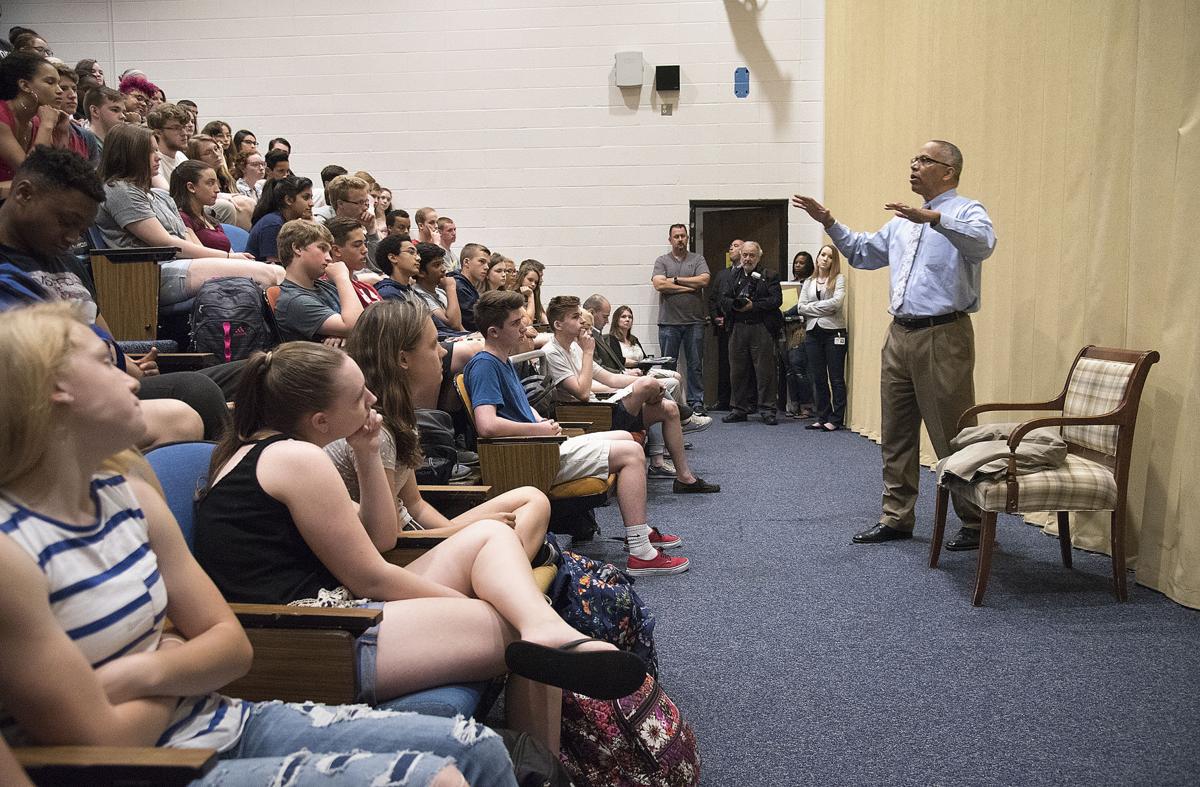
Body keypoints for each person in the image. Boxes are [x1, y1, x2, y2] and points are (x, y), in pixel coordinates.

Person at [0, 303, 513, 787]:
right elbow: (98, 739)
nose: (132, 375)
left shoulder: (130, 491)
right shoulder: (11, 551)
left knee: (479, 749)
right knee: (439, 775)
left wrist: (147, 669)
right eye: (104, 363)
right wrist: (183, 661)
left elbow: (232, 647)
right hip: (147, 765)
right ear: (54, 388)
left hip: (222, 714)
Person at [191, 339, 648, 726]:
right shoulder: (297, 459)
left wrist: (367, 451)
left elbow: (380, 538)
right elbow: (369, 578)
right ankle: (541, 704)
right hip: (309, 638)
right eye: (357, 397)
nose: (371, 398)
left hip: (324, 612)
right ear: (320, 422)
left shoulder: (260, 452)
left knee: (489, 535)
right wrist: (465, 603)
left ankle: (543, 628)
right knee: (518, 626)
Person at [793, 139, 997, 550]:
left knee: (952, 431)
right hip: (899, 334)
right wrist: (830, 222)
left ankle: (974, 522)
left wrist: (935, 219)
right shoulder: (902, 223)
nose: (914, 165)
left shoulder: (965, 211)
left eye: (924, 160)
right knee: (897, 430)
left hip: (944, 333)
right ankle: (897, 516)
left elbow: (983, 244)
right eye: (913, 159)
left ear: (949, 171)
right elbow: (864, 254)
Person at [464, 290, 691, 576]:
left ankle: (641, 529)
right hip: (529, 455)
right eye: (515, 323)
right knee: (632, 451)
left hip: (539, 443)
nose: (524, 328)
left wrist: (539, 420)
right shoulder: (485, 365)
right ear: (494, 332)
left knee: (623, 436)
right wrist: (537, 429)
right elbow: (487, 425)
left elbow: (519, 408)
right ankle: (641, 553)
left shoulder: (503, 360)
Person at [332, 300, 549, 559]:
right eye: (434, 344)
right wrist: (470, 531)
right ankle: (507, 566)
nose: (444, 353)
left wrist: (457, 529)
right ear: (403, 359)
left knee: (532, 498)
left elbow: (416, 505)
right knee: (508, 533)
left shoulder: (400, 419)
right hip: (406, 550)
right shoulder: (376, 432)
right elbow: (387, 539)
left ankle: (507, 563)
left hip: (417, 532)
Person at [93, 124, 282, 306]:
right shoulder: (119, 190)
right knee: (269, 275)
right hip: (148, 273)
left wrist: (223, 259)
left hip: (176, 264)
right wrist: (226, 258)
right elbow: (166, 243)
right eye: (151, 151)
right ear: (131, 155)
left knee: (276, 272)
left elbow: (185, 235)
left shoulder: (158, 194)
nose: (158, 156)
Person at [543, 295, 718, 490]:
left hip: (602, 407)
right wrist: (588, 352)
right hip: (590, 415)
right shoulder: (552, 352)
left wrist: (648, 381)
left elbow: (610, 379)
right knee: (647, 386)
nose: (582, 321)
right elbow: (582, 393)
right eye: (575, 317)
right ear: (558, 324)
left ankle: (685, 479)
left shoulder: (574, 347)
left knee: (668, 408)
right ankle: (686, 416)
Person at [718, 241, 782, 425]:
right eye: (745, 254)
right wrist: (736, 307)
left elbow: (776, 300)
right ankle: (738, 409)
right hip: (737, 327)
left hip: (761, 326)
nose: (747, 258)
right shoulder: (732, 276)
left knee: (765, 371)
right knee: (737, 371)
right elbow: (723, 300)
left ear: (759, 257)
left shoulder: (769, 275)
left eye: (751, 255)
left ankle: (768, 409)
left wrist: (754, 306)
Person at [272, 219, 363, 344]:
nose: (329, 258)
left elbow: (362, 324)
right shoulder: (293, 301)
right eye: (322, 248)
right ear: (297, 248)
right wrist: (342, 277)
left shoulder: (325, 286)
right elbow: (357, 325)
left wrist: (344, 334)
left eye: (329, 251)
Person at [651, 223, 710, 415]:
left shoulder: (697, 259)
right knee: (668, 366)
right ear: (670, 240)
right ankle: (666, 402)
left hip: (695, 322)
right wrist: (688, 285)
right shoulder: (662, 260)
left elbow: (704, 280)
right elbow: (659, 285)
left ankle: (696, 402)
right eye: (676, 236)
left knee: (695, 365)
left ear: (688, 238)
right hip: (669, 322)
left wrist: (674, 280)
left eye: (683, 236)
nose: (680, 240)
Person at [795, 244, 848, 431]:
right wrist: (820, 308)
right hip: (813, 332)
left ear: (834, 261)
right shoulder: (809, 281)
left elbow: (836, 304)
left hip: (834, 332)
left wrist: (812, 308)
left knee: (835, 377)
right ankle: (822, 415)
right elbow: (800, 306)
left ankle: (836, 418)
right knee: (818, 377)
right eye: (822, 255)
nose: (825, 259)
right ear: (817, 258)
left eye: (830, 256)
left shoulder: (839, 279)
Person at [0, 52, 69, 185]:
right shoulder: (2, 117)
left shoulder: (37, 121)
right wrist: (47, 126)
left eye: (59, 83)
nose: (60, 90)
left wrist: (62, 134)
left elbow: (57, 172)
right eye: (50, 82)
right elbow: (30, 173)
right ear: (25, 85)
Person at [246, 174, 314, 262]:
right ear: (288, 200)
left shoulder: (288, 223)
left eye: (311, 198)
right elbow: (274, 266)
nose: (311, 203)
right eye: (306, 198)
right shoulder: (273, 224)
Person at [170, 159, 232, 253]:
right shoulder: (182, 218)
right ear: (191, 187)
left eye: (216, 183)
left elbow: (230, 252)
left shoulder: (211, 219)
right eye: (210, 183)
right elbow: (200, 254)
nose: (217, 189)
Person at [781, 250, 815, 419]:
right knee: (789, 369)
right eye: (796, 262)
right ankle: (793, 405)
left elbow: (805, 305)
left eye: (802, 263)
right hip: (786, 329)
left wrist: (787, 312)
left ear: (809, 266)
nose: (797, 265)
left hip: (801, 328)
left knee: (798, 367)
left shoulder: (811, 285)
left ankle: (806, 406)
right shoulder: (789, 285)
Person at [411, 242, 466, 338]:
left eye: (442, 263)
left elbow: (461, 328)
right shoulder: (418, 295)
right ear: (421, 272)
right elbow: (454, 324)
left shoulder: (440, 292)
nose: (444, 269)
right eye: (437, 265)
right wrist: (450, 288)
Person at [326, 216, 382, 307]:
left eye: (364, 243)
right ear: (336, 250)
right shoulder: (327, 291)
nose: (365, 250)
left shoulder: (367, 288)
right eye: (357, 245)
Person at [451, 242, 489, 331]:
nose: (487, 267)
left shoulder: (467, 285)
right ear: (466, 262)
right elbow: (473, 323)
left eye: (487, 263)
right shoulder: (459, 286)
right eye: (482, 261)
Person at [374, 233, 421, 303]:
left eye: (417, 254)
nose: (418, 258)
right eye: (411, 252)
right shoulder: (388, 294)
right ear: (393, 258)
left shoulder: (411, 291)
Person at [516, 258, 546, 324]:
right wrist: (530, 296)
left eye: (536, 281)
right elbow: (529, 322)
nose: (541, 280)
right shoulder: (513, 295)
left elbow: (544, 318)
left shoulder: (535, 293)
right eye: (530, 279)